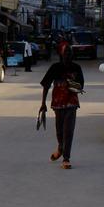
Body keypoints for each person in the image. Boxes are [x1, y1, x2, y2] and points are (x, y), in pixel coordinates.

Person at [39, 41, 85, 169]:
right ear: (61, 54)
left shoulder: (77, 68)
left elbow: (81, 86)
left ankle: (66, 158)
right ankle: (60, 147)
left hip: (71, 104)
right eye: (66, 52)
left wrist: (72, 85)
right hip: (58, 104)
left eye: (70, 52)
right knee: (59, 131)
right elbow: (46, 85)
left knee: (68, 131)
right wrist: (43, 104)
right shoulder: (55, 67)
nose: (68, 54)